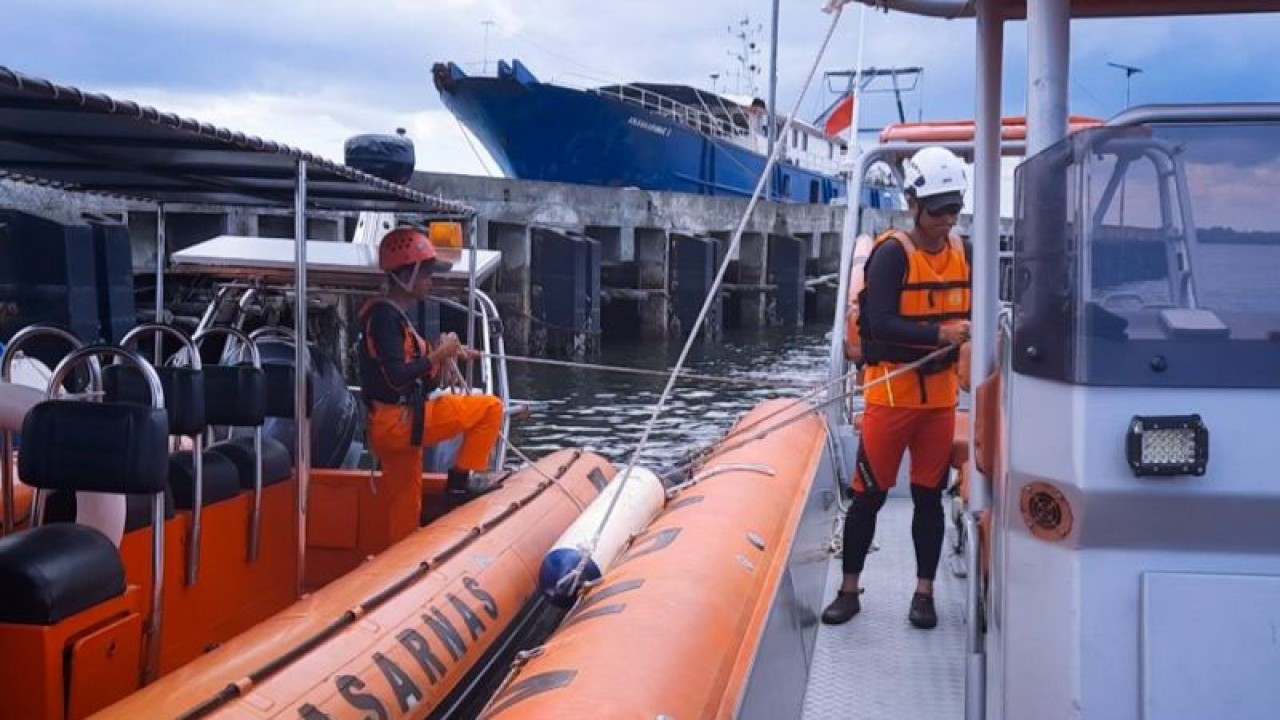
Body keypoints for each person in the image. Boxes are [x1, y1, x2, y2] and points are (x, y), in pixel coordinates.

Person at [822, 146, 972, 630]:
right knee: (870, 495)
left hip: (941, 400)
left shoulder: (964, 252)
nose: (948, 219)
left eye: (955, 208)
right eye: (939, 210)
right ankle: (849, 589)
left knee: (929, 496)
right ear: (913, 203)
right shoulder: (891, 255)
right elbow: (880, 325)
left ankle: (923, 593)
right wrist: (938, 336)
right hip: (891, 396)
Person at [357, 226, 504, 539]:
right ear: (405, 275)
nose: (430, 280)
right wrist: (439, 356)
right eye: (425, 273)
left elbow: (415, 365)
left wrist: (450, 353)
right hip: (400, 422)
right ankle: (461, 481)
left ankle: (398, 571)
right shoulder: (385, 318)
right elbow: (397, 377)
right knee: (491, 408)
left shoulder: (393, 317)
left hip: (390, 426)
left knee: (404, 510)